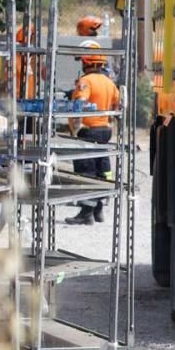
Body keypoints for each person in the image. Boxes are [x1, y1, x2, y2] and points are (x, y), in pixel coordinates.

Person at [65, 42, 119, 225]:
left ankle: (86, 213)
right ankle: (98, 209)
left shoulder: (85, 82)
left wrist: (77, 126)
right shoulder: (109, 83)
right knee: (102, 170)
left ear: (86, 61)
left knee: (85, 171)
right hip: (105, 131)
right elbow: (116, 104)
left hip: (89, 132)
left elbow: (81, 100)